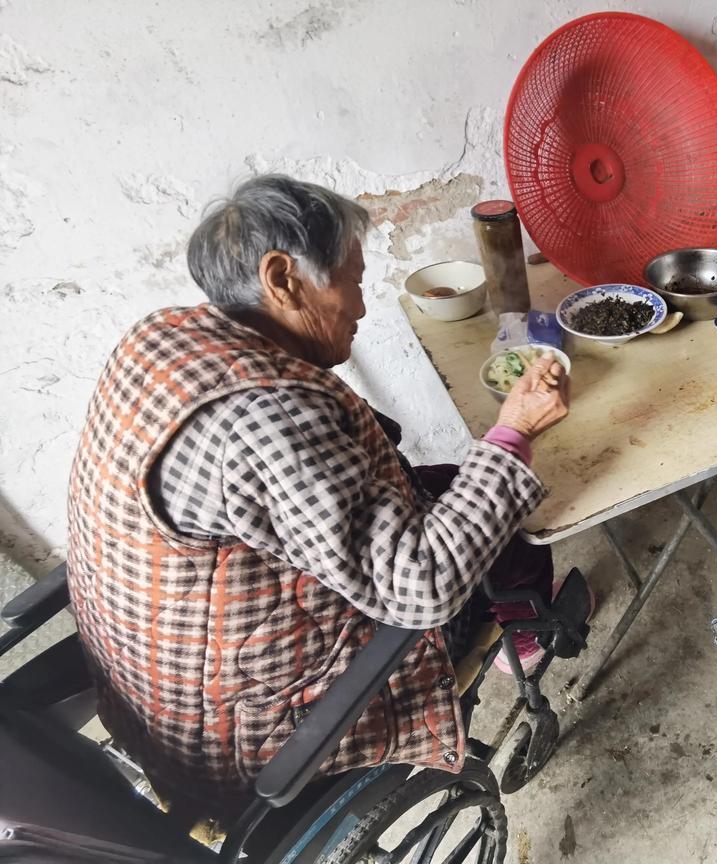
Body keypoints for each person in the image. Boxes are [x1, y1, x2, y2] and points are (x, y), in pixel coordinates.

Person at [63, 174, 570, 816]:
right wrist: (515, 429)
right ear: (281, 278)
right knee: (512, 523)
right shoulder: (262, 419)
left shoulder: (164, 337)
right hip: (251, 735)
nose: (360, 305)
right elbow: (426, 585)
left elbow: (321, 466)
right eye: (352, 281)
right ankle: (523, 640)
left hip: (158, 690)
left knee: (451, 480)